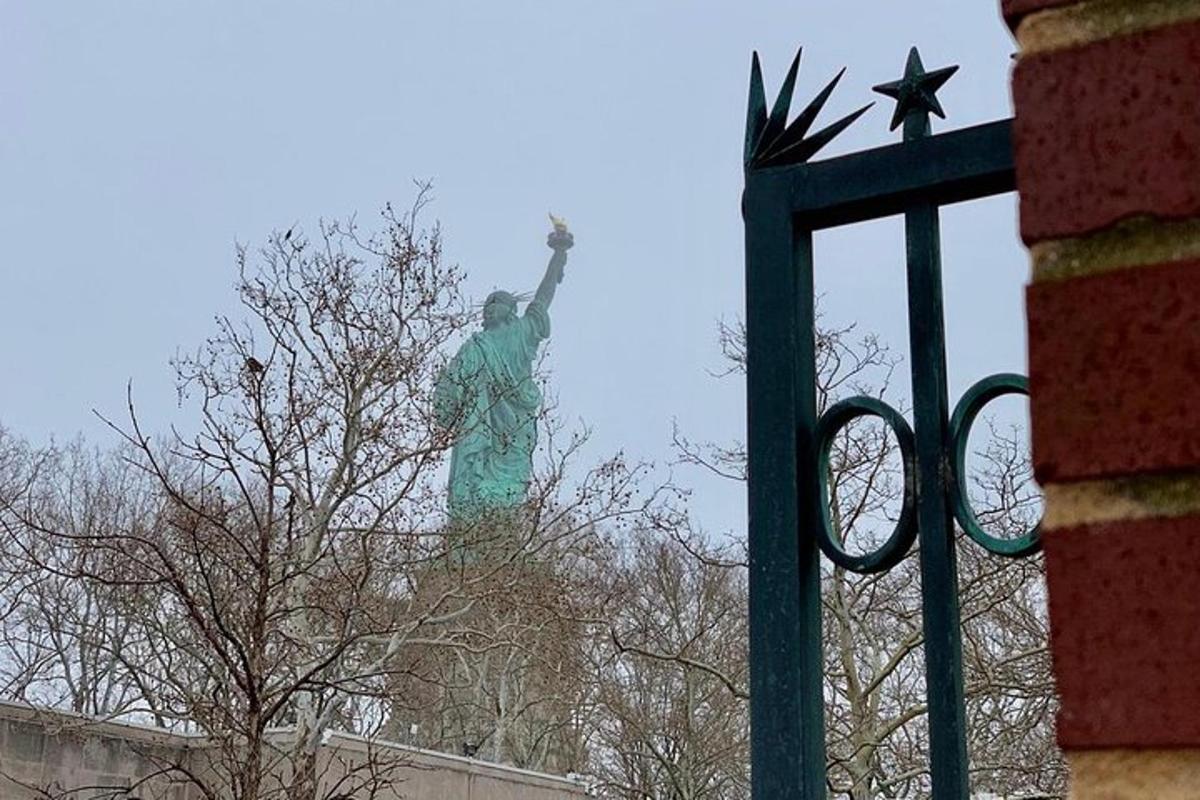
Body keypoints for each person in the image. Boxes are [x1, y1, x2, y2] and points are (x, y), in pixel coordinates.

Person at [435, 220, 573, 517]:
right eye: (487, 304)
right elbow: (451, 383)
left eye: (496, 303)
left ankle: (500, 539)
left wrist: (558, 255)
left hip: (512, 426)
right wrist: (445, 388)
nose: (489, 307)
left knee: (507, 493)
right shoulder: (475, 345)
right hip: (477, 423)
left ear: (511, 311)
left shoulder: (521, 334)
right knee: (471, 485)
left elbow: (543, 298)